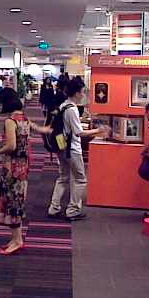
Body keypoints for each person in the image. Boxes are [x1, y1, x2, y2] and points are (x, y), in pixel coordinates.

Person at [0, 88, 50, 255]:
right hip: (23, 165)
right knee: (17, 200)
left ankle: (17, 240)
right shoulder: (24, 117)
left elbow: (11, 146)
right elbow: (39, 130)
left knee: (12, 201)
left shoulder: (10, 121)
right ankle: (17, 238)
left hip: (12, 166)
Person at [47, 77, 109, 221]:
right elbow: (79, 132)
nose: (83, 95)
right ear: (76, 92)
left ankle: (54, 207)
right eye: (82, 92)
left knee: (63, 177)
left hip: (61, 146)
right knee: (80, 179)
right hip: (72, 149)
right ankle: (73, 210)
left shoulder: (64, 105)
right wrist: (99, 130)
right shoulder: (72, 109)